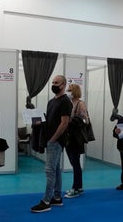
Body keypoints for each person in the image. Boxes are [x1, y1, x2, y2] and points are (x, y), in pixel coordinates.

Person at [31, 75, 72, 213]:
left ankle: (46, 201)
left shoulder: (65, 101)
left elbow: (64, 123)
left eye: (57, 83)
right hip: (50, 139)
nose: (54, 84)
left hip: (56, 140)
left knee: (49, 170)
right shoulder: (51, 102)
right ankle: (57, 197)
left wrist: (54, 138)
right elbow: (50, 120)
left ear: (64, 85)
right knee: (55, 170)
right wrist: (40, 122)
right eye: (53, 82)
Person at [63, 83, 88, 199]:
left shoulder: (80, 104)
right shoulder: (69, 103)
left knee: (76, 163)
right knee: (74, 163)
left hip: (76, 138)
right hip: (68, 136)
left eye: (70, 90)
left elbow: (85, 121)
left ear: (75, 92)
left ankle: (76, 188)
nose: (68, 92)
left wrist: (73, 120)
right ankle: (79, 186)